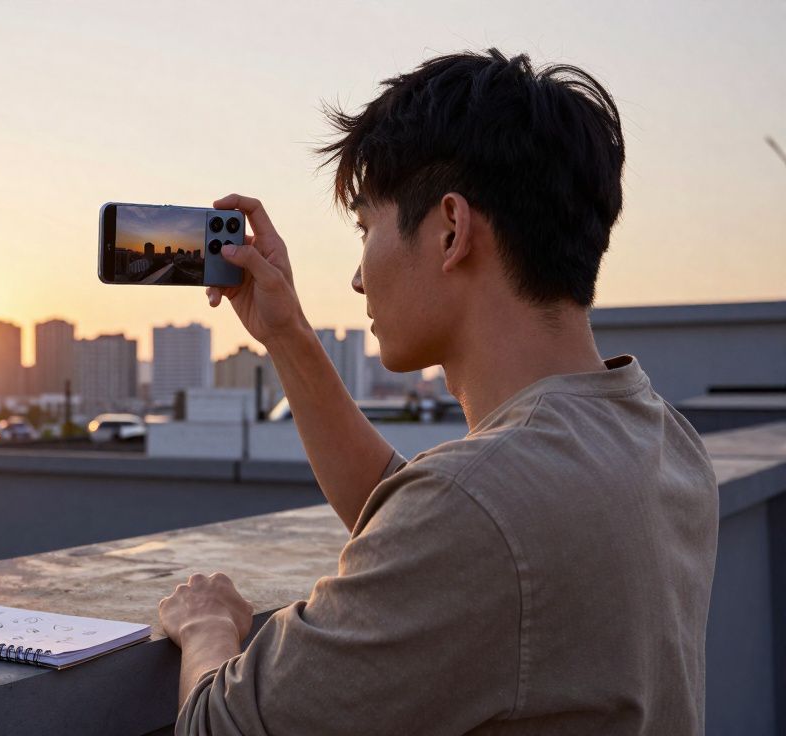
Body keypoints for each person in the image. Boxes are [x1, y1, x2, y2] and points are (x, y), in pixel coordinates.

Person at [157, 48, 719, 735]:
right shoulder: (660, 440)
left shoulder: (475, 510)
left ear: (450, 229)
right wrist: (288, 335)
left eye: (366, 229)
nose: (359, 279)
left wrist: (210, 627)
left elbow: (218, 726)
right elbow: (420, 525)